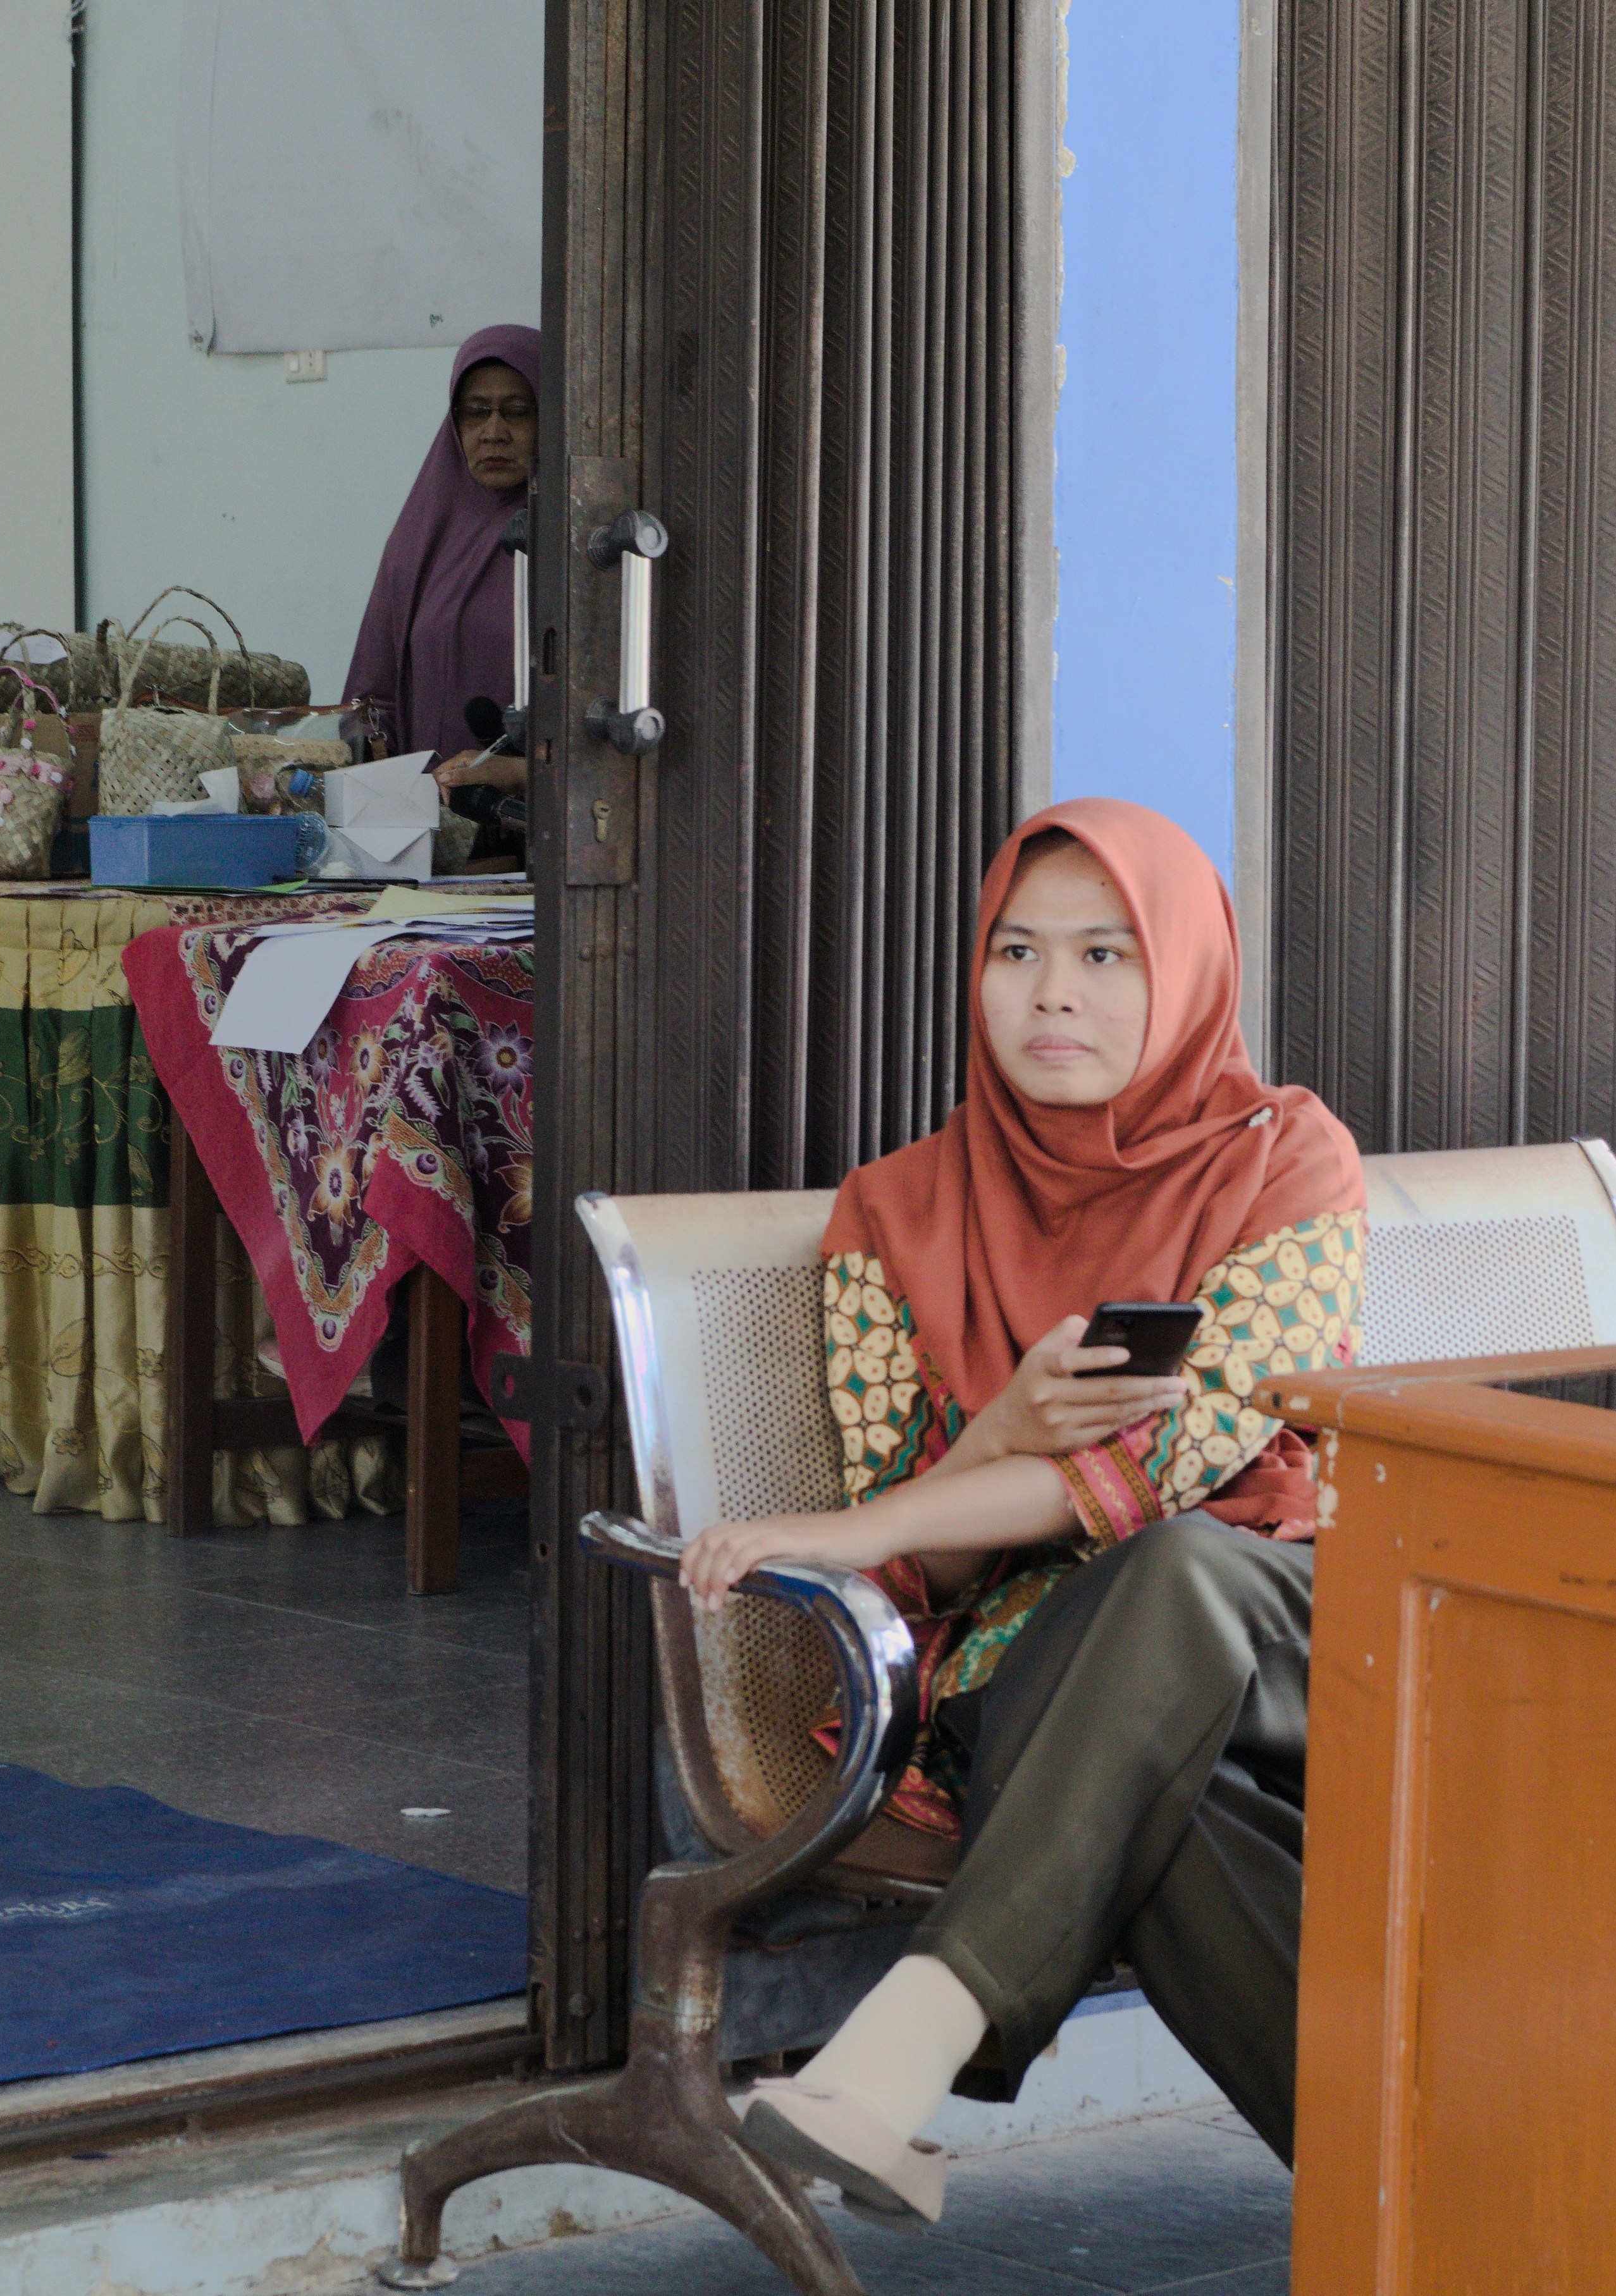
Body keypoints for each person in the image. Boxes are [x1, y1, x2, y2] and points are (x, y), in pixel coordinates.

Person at [678, 798, 1365, 2224]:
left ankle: (898, 2057)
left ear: (1183, 973)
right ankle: (1446, 2203)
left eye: (1108, 955)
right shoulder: (895, 1212)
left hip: (1300, 1636)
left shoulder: (1286, 1159)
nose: (1053, 993)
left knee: (1176, 1569)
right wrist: (991, 1438)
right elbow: (928, 1574)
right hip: (1035, 1679)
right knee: (1160, 1806)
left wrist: (858, 1529)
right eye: (1018, 952)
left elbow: (1188, 1465)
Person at [342, 323, 538, 854]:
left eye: (516, 411)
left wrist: (518, 772)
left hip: (541, 837)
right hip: (423, 839)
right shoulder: (419, 540)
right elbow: (371, 693)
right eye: (476, 411)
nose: (493, 431)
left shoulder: (580, 542)